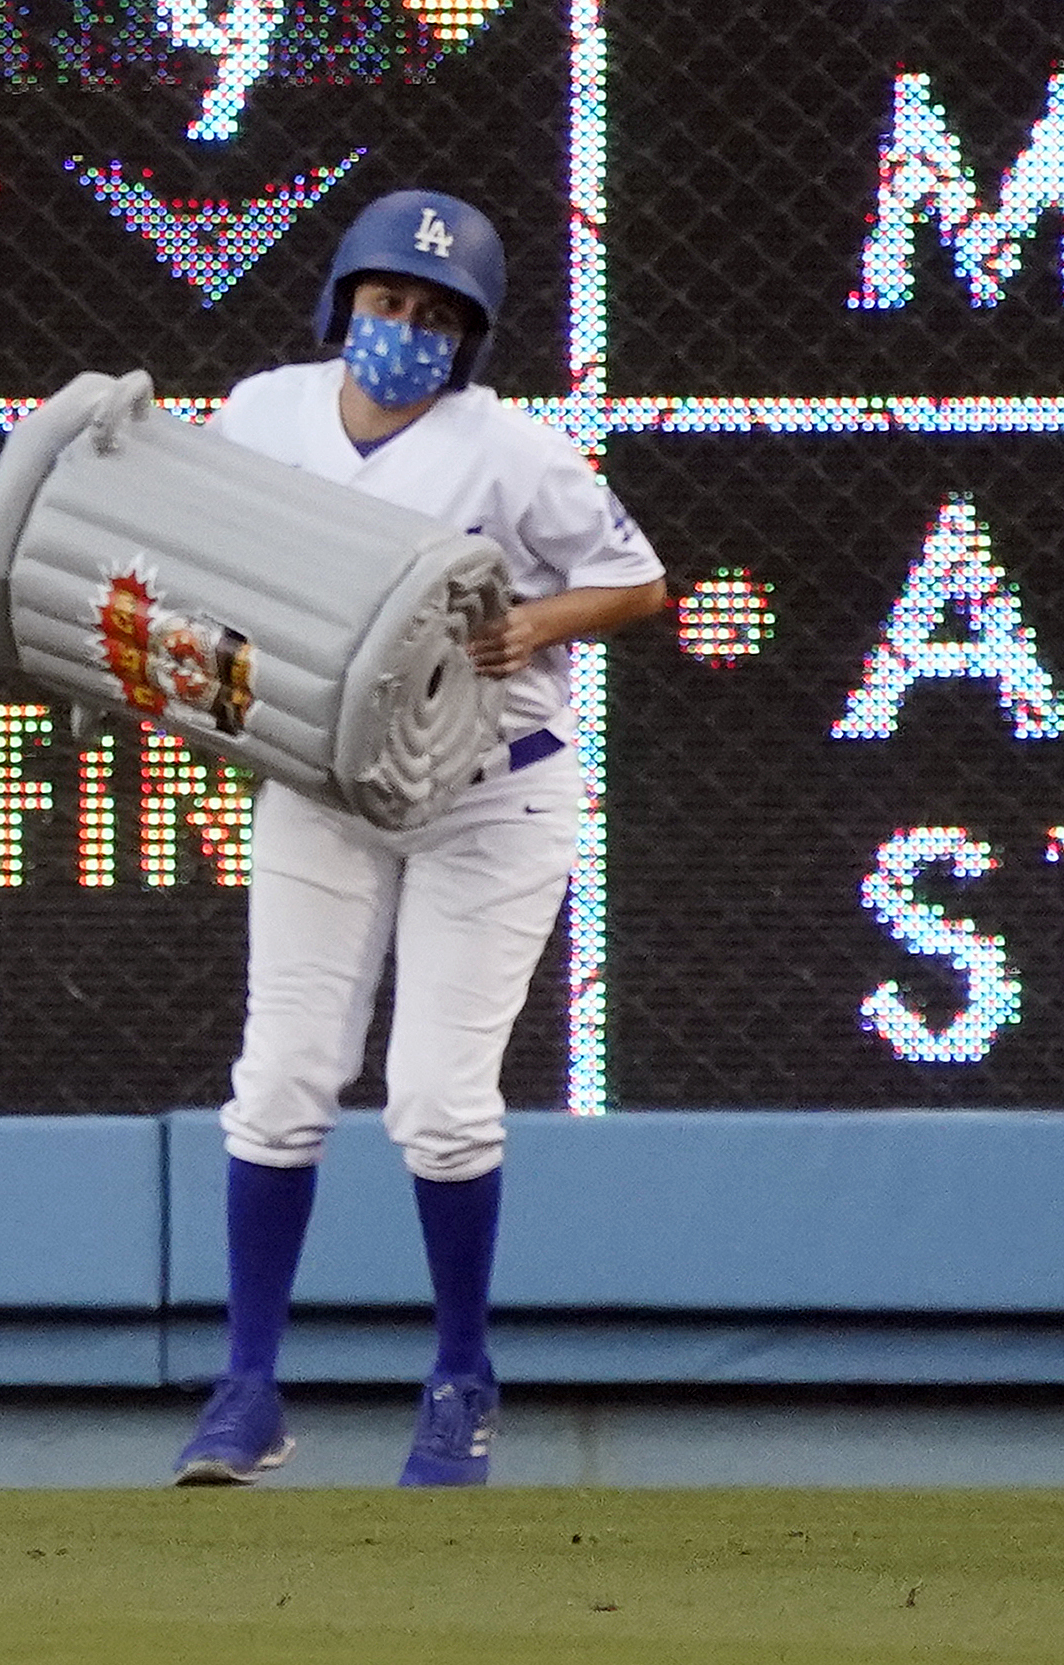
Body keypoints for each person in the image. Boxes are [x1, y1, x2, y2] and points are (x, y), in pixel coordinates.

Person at [171, 191, 664, 1488]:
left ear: (468, 337)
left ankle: (458, 1377)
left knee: (438, 1103)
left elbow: (641, 579)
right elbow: (201, 561)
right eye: (387, 301)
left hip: (488, 791)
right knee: (280, 1078)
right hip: (325, 779)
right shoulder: (263, 410)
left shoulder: (505, 449)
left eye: (435, 314)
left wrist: (541, 624)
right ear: (343, 302)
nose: (404, 328)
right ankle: (246, 1387)